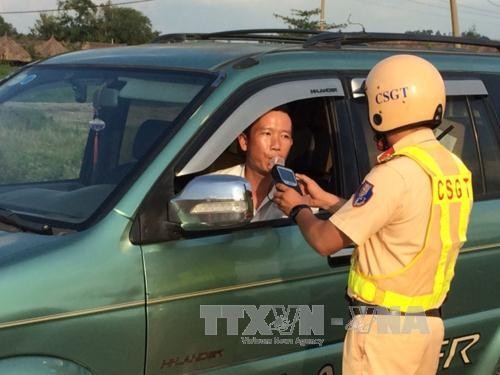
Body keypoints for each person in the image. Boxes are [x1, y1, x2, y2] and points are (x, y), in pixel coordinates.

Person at [273, 55, 473, 374]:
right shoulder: (451, 169)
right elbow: (395, 226)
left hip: (384, 335)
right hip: (426, 328)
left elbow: (326, 241)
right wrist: (326, 200)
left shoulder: (394, 174)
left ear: (384, 106)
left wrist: (297, 207)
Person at [211, 107, 293, 221]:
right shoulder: (215, 186)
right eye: (267, 133)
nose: (276, 146)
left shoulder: (298, 197)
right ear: (244, 141)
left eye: (285, 136)